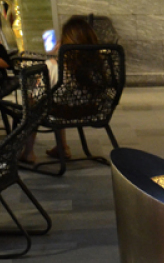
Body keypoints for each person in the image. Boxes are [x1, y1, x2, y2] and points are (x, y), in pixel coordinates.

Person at [21, 14, 101, 164]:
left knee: (35, 102)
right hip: (90, 109)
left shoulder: (52, 67)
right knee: (57, 99)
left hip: (59, 111)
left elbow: (39, 97)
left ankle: (28, 152)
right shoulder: (99, 66)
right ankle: (62, 147)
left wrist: (56, 58)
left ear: (65, 43)